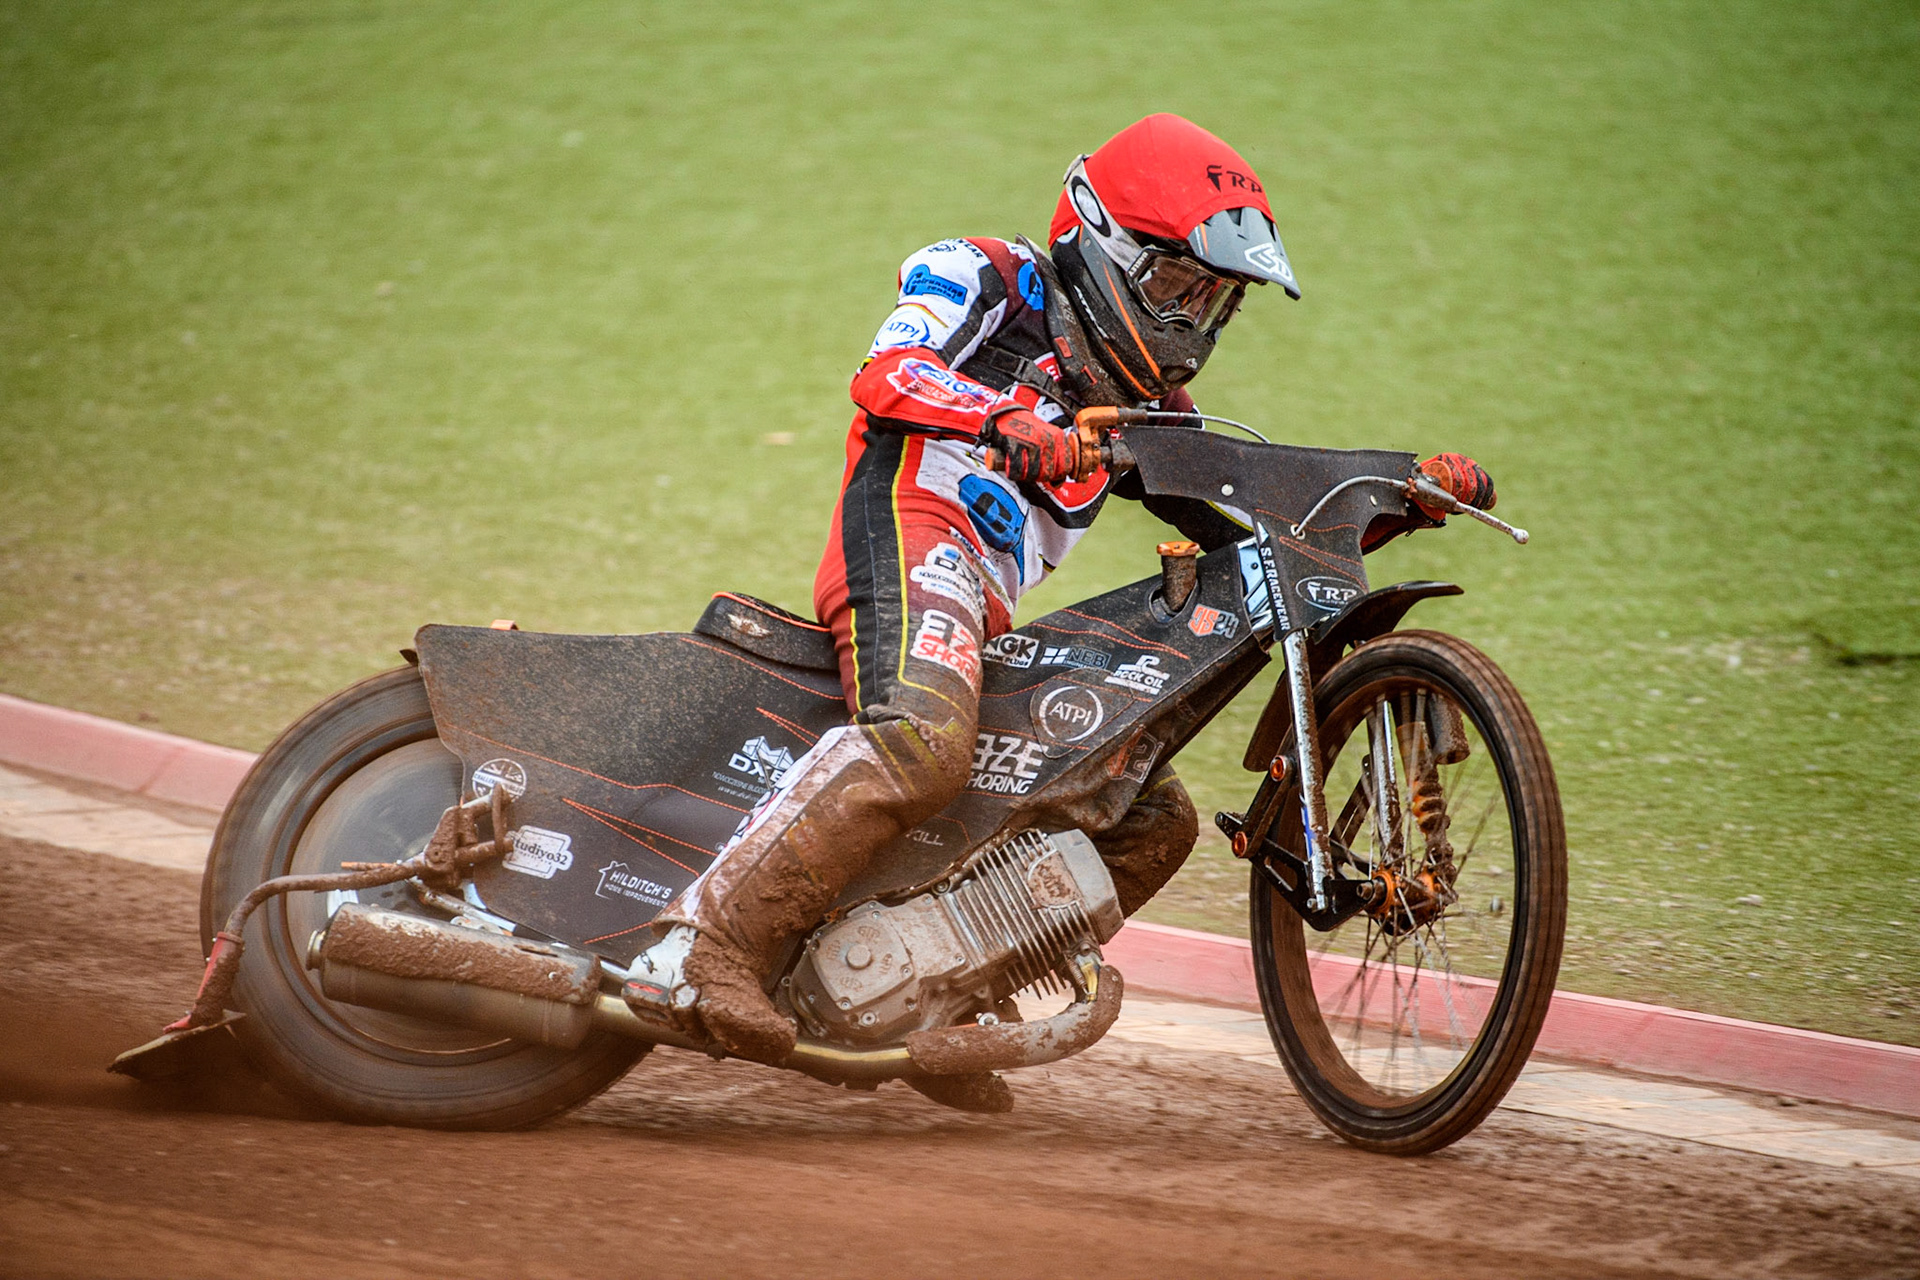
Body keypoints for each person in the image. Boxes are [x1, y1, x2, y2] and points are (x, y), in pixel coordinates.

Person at [626, 114, 1494, 1097]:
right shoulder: (991, 274)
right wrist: (1005, 416)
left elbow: (1247, 525)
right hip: (910, 532)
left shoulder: (1146, 413)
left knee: (1146, 814)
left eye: (1216, 304)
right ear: (1098, 241)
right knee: (922, 739)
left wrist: (1397, 498)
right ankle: (695, 947)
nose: (1190, 327)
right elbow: (886, 374)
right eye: (1176, 288)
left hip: (983, 608)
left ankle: (930, 1000)